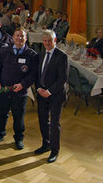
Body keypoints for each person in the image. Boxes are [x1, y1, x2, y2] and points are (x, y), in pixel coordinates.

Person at [0, 27, 38, 149]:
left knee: (18, 116)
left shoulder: (31, 54)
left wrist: (23, 84)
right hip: (4, 90)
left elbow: (33, 74)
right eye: (17, 35)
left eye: (22, 36)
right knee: (1, 114)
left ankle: (18, 138)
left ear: (26, 38)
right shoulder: (4, 51)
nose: (19, 38)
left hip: (20, 92)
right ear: (13, 37)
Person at [35, 30, 69, 163]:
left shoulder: (62, 56)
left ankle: (55, 150)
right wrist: (38, 88)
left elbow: (62, 79)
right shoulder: (41, 54)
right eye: (45, 40)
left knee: (54, 124)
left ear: (55, 41)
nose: (47, 43)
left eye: (50, 40)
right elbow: (37, 74)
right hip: (41, 93)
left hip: (55, 95)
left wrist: (48, 91)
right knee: (43, 120)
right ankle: (46, 144)